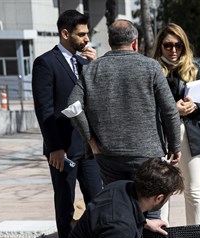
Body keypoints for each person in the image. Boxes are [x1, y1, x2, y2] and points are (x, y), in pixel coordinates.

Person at [65, 20, 181, 186]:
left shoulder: (91, 69)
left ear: (110, 42)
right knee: (149, 203)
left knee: (118, 204)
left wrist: (91, 141)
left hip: (108, 154)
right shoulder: (151, 67)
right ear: (134, 43)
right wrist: (174, 145)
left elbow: (72, 106)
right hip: (147, 153)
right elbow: (170, 110)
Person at [32, 9, 102, 238]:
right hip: (63, 148)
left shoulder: (85, 63)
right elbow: (44, 109)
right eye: (81, 34)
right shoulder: (45, 63)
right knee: (65, 204)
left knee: (97, 200)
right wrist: (55, 147)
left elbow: (96, 100)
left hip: (89, 147)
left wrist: (95, 66)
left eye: (87, 34)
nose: (86, 39)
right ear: (65, 33)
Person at [150, 23, 200, 225]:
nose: (173, 50)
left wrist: (195, 107)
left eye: (178, 45)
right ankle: (161, 237)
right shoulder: (152, 69)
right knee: (160, 190)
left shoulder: (194, 69)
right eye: (168, 45)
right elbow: (144, 105)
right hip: (160, 134)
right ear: (160, 46)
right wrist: (172, 110)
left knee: (193, 189)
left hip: (190, 134)